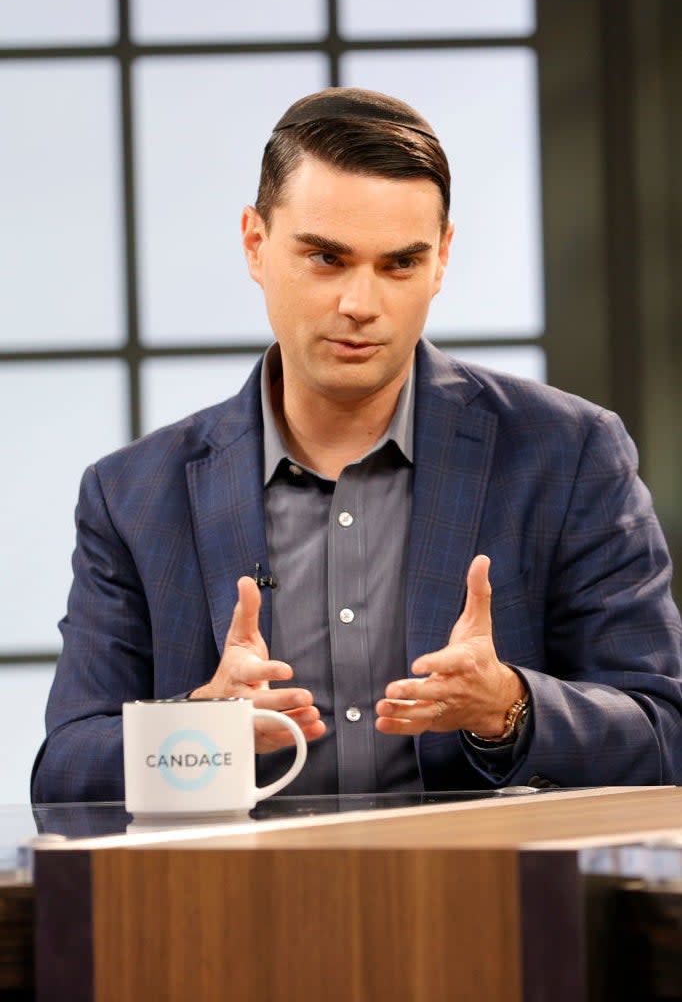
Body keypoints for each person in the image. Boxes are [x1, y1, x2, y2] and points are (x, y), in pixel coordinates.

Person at [32, 87, 682, 803]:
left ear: (442, 259)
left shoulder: (570, 453)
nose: (361, 305)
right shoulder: (131, 493)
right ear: (255, 243)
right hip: (226, 908)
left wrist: (507, 708)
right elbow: (65, 773)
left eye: (400, 264)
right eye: (326, 259)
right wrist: (205, 729)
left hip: (488, 903)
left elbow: (663, 737)